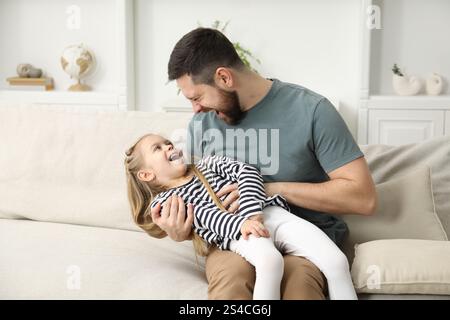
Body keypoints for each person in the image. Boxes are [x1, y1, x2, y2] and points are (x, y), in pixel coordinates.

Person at [152, 28, 377, 300]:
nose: (195, 110)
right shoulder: (202, 124)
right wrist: (181, 231)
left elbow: (363, 199)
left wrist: (269, 189)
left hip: (304, 233)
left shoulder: (312, 110)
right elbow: (199, 200)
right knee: (232, 282)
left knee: (299, 285)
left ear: (224, 77)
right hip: (235, 239)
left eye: (197, 97)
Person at [124, 133, 357, 300]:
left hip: (268, 213)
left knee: (336, 262)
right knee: (270, 262)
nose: (168, 147)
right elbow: (204, 217)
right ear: (147, 174)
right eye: (158, 148)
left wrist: (251, 214)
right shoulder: (164, 201)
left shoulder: (207, 163)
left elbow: (246, 171)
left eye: (168, 143)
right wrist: (242, 223)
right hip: (235, 234)